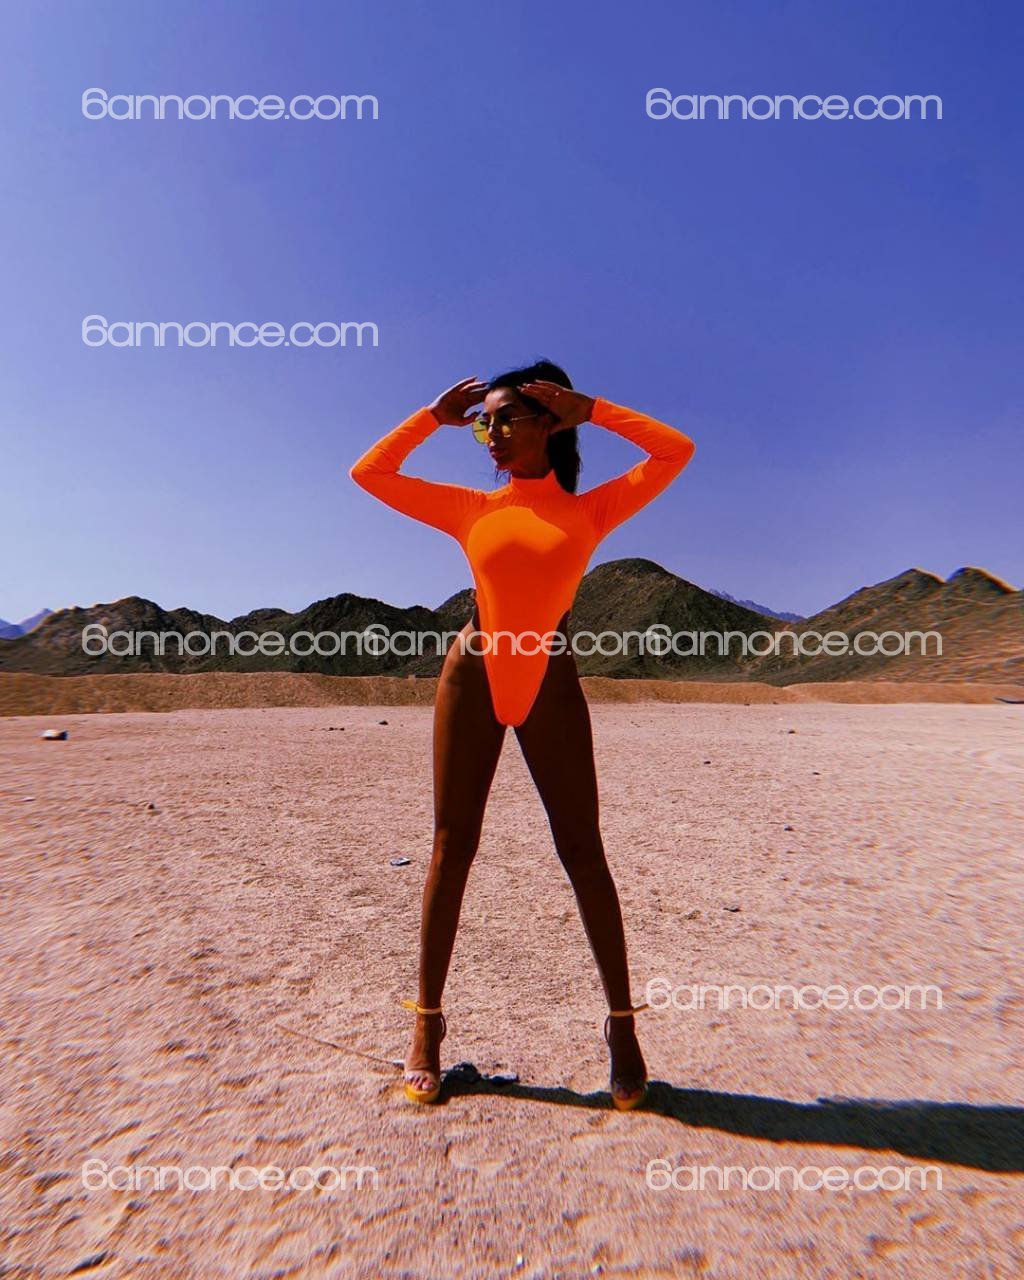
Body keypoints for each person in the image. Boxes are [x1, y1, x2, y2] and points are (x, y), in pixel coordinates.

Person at [349, 360, 696, 1108]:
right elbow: (369, 473)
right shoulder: (472, 508)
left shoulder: (589, 512)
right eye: (484, 424)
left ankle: (624, 1029)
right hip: (472, 676)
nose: (492, 434)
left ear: (549, 422)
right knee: (452, 847)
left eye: (506, 418)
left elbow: (676, 450)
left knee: (584, 853)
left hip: (550, 682)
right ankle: (426, 1027)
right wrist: (430, 418)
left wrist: (594, 408)